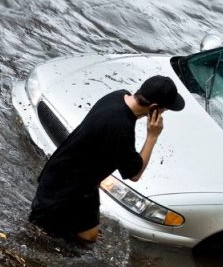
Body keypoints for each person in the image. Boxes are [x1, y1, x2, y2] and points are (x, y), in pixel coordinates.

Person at [28, 75, 184, 243]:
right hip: (63, 190)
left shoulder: (117, 96)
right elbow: (135, 174)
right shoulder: (120, 127)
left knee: (89, 237)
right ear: (154, 107)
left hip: (78, 181)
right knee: (40, 237)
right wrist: (152, 136)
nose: (163, 114)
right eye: (164, 109)